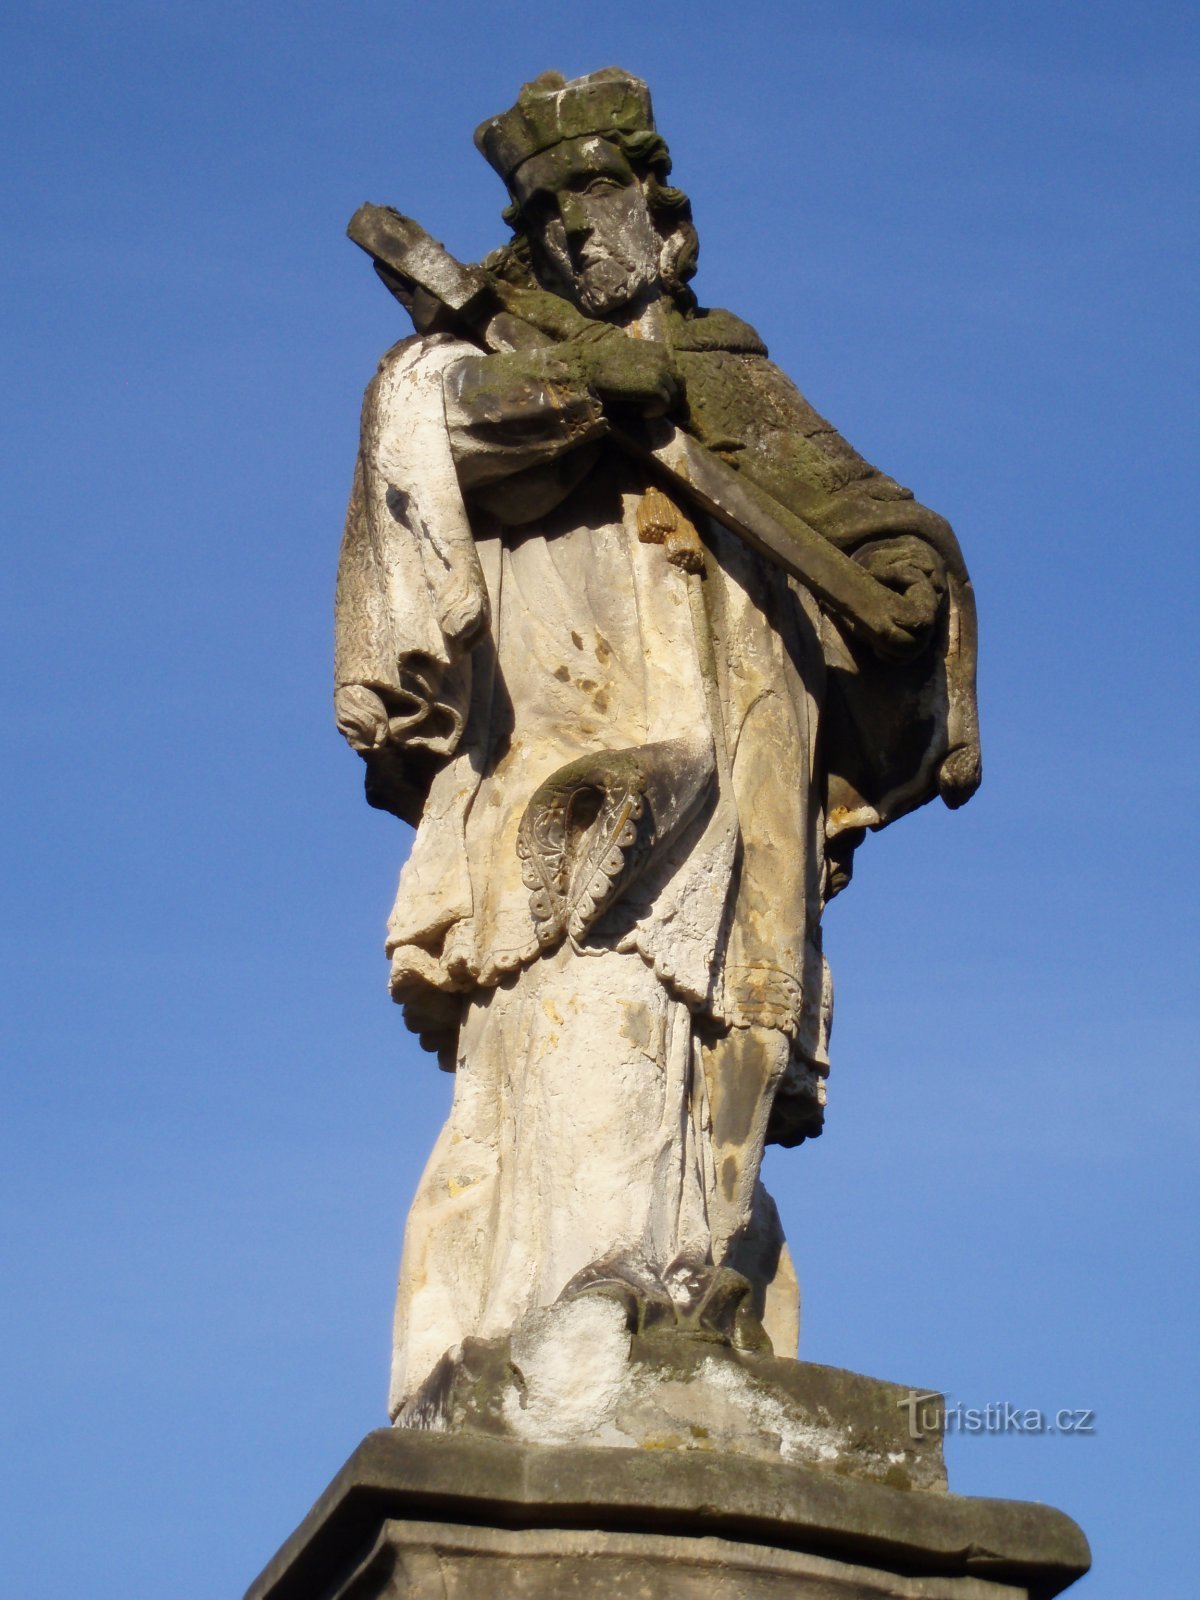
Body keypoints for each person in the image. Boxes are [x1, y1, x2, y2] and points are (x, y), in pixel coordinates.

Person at [333, 69, 980, 1417]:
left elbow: (853, 504)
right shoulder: (473, 357)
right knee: (590, 991)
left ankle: (704, 1296)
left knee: (741, 1014)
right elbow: (436, 427)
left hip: (746, 721)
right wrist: (578, 388)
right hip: (572, 740)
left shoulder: (724, 363)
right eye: (550, 209)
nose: (580, 231)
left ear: (661, 222)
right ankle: (577, 1293)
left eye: (601, 198)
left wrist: (916, 575)